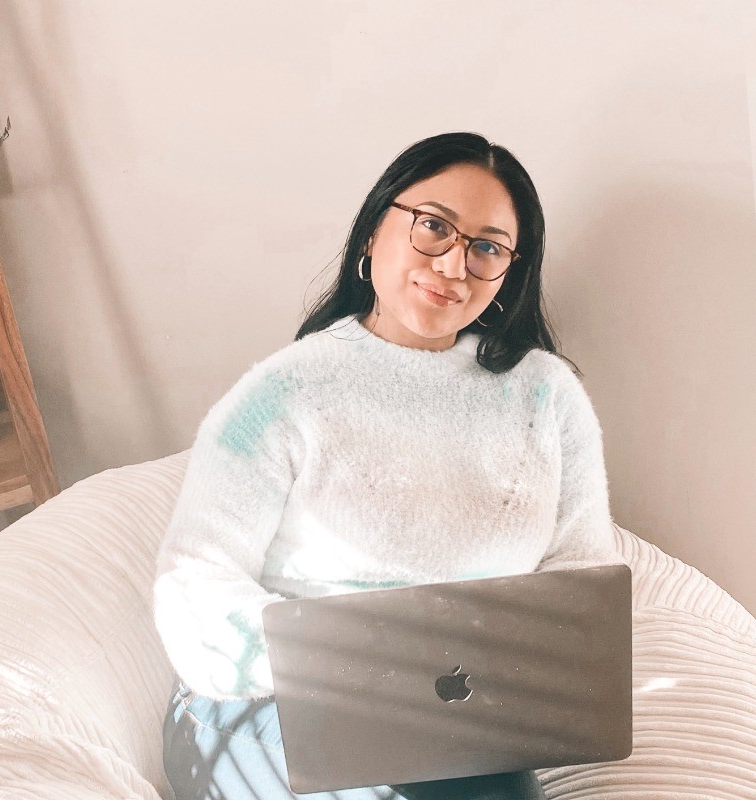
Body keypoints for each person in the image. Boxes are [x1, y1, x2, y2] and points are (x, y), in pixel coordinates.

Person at [154, 131, 619, 800]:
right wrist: (342, 665)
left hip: (459, 710)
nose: (454, 264)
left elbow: (583, 579)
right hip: (273, 702)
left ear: (509, 273)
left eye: (487, 247)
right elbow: (194, 578)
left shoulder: (546, 397)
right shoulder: (282, 394)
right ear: (375, 232)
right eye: (434, 226)